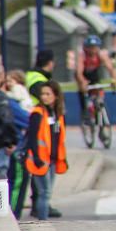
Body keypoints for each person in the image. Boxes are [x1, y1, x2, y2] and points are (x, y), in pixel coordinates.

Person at [25, 81, 67, 220]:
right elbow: (32, 137)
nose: (44, 97)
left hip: (52, 160)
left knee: (46, 193)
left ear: (56, 96)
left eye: (48, 94)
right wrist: (36, 157)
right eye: (43, 94)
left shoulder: (57, 114)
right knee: (44, 192)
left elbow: (59, 138)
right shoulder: (37, 113)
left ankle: (42, 219)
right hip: (41, 160)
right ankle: (43, 222)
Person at [75, 35, 116, 115]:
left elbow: (110, 68)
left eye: (95, 47)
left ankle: (99, 104)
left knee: (98, 89)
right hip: (83, 74)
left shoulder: (101, 54)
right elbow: (79, 72)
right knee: (83, 90)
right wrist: (83, 81)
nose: (93, 50)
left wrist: (114, 80)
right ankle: (85, 111)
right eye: (90, 47)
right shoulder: (82, 56)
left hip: (93, 73)